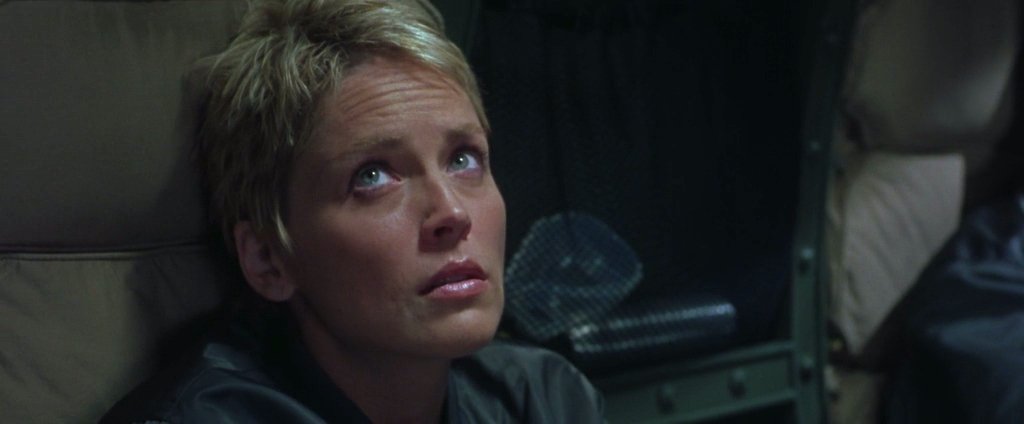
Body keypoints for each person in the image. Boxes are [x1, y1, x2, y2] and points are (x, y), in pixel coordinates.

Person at [101, 0, 604, 422]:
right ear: (268, 259)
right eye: (373, 177)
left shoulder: (543, 399)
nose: (453, 213)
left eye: (463, 159)